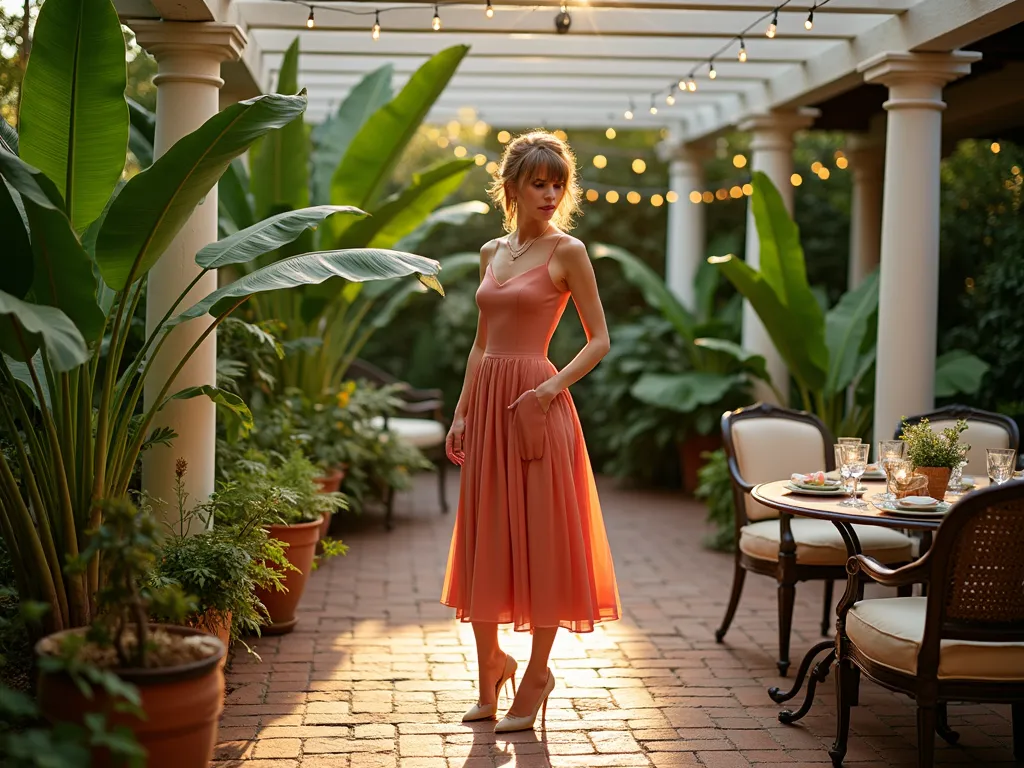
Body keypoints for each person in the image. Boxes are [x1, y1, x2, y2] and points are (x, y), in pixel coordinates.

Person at [440, 131, 621, 733]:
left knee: (543, 538)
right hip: (489, 405)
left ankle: (538, 672)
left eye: (557, 184)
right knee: (484, 534)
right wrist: (463, 410)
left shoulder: (569, 251)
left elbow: (599, 340)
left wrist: (549, 389)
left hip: (538, 407)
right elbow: (481, 341)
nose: (549, 194)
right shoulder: (491, 250)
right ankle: (491, 665)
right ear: (512, 186)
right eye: (537, 183)